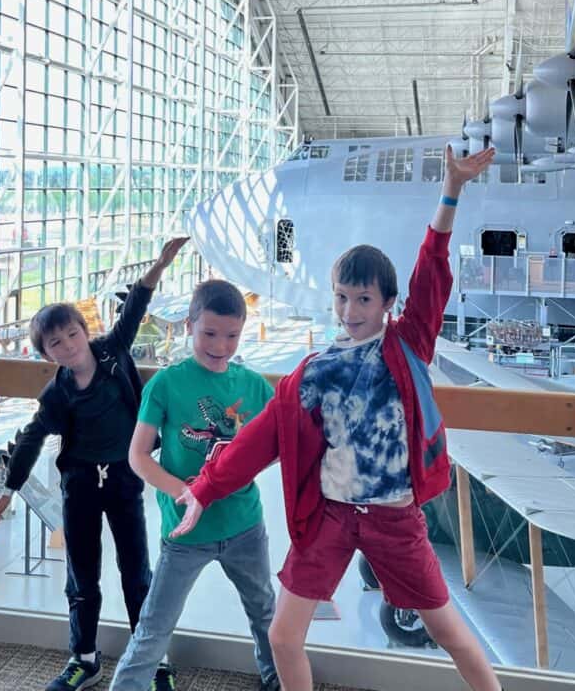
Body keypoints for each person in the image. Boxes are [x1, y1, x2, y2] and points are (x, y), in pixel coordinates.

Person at [171, 145, 503, 691]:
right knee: (283, 636)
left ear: (388, 303)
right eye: (342, 298)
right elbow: (261, 437)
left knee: (449, 632)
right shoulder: (316, 370)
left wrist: (452, 190)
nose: (351, 311)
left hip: (394, 519)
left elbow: (432, 271)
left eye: (364, 299)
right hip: (330, 516)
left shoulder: (407, 345)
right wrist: (205, 488)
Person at [0, 237, 188, 691]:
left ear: (85, 331)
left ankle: (152, 657)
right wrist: (7, 491)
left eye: (73, 334)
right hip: (79, 483)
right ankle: (85, 658)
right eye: (55, 343)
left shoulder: (113, 352)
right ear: (46, 354)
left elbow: (135, 306)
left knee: (137, 571)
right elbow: (33, 438)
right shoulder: (57, 393)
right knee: (82, 576)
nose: (68, 345)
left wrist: (159, 264)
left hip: (123, 479)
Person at [110, 278, 279, 691]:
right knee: (155, 625)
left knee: (265, 612)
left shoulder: (255, 386)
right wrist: (183, 493)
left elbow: (273, 447)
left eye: (232, 335)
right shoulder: (166, 385)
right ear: (189, 325)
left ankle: (277, 677)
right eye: (209, 333)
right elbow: (138, 456)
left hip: (243, 525)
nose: (221, 345)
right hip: (185, 531)